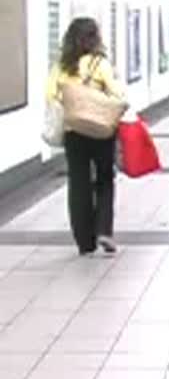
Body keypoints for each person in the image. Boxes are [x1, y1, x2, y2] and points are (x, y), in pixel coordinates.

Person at [46, 17, 126, 256]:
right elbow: (117, 93)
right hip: (101, 130)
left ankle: (84, 241)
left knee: (78, 183)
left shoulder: (61, 66)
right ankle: (103, 229)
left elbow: (51, 96)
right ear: (95, 39)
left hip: (74, 132)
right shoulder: (100, 64)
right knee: (104, 178)